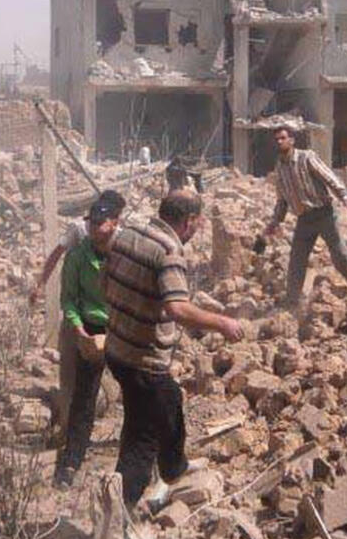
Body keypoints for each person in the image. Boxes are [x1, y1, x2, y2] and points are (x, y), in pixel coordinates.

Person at [101, 190, 244, 519]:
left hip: (118, 349)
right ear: (189, 221)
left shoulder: (129, 233)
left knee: (169, 398)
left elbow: (103, 281)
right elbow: (177, 308)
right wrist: (221, 322)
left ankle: (174, 466)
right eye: (197, 223)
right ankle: (118, 520)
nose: (197, 229)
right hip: (143, 360)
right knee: (142, 439)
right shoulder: (168, 251)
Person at [53, 193, 122, 488]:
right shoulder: (78, 256)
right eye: (92, 224)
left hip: (123, 328)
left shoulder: (125, 253)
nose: (95, 230)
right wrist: (79, 329)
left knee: (138, 391)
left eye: (101, 224)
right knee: (84, 396)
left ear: (115, 223)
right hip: (91, 329)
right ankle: (71, 461)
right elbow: (68, 299)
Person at [259, 125, 347, 306]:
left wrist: (344, 195)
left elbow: (328, 176)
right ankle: (292, 301)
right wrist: (274, 223)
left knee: (340, 254)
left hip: (324, 214)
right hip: (304, 220)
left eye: (283, 138)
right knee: (296, 260)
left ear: (291, 140)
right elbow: (282, 201)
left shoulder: (306, 157)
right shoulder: (280, 167)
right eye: (277, 139)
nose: (280, 141)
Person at [29, 189, 126, 304]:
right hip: (78, 297)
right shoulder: (79, 229)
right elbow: (56, 254)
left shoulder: (119, 235)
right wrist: (41, 284)